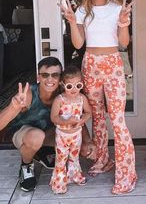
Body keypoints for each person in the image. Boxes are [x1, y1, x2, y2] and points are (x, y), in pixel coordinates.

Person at [61, 0, 137, 195]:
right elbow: (77, 44)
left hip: (112, 63)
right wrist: (72, 22)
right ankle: (102, 160)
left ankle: (126, 174)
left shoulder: (117, 10)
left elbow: (124, 43)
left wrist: (124, 22)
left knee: (117, 119)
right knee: (96, 117)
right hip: (90, 63)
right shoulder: (84, 9)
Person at [4, 56, 96, 192]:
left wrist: (88, 140)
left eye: (55, 75)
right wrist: (13, 106)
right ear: (38, 77)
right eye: (45, 75)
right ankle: (26, 165)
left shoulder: (67, 92)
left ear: (61, 79)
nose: (50, 79)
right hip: (25, 134)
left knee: (83, 149)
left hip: (51, 133)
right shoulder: (29, 94)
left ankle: (41, 152)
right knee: (36, 137)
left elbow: (77, 118)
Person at [50, 65, 91, 194]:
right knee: (61, 159)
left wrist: (83, 119)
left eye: (78, 86)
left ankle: (75, 175)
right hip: (62, 136)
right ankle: (59, 182)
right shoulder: (60, 100)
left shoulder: (82, 98)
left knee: (74, 157)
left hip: (76, 135)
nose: (74, 90)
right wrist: (66, 121)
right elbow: (54, 117)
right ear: (63, 85)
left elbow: (89, 112)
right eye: (69, 86)